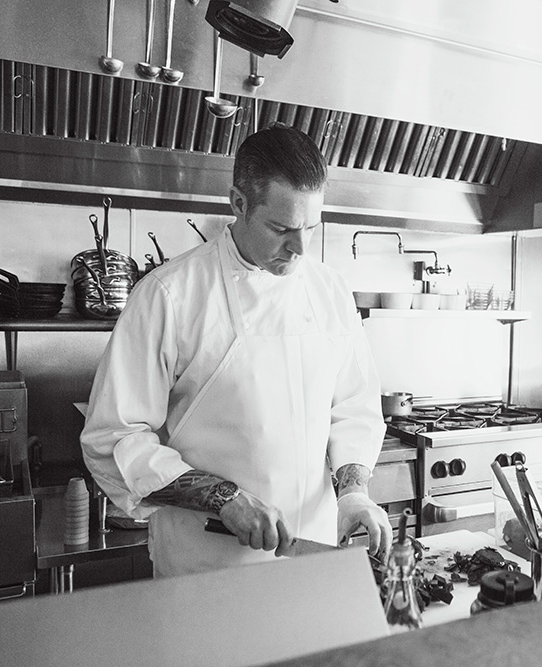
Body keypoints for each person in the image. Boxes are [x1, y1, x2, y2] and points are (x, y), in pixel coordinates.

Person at [80, 123, 390, 577]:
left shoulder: (330, 291)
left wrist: (353, 492)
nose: (300, 248)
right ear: (238, 203)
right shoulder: (170, 295)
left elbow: (354, 407)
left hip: (313, 555)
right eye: (281, 228)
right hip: (207, 563)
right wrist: (226, 499)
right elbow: (114, 439)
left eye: (311, 228)